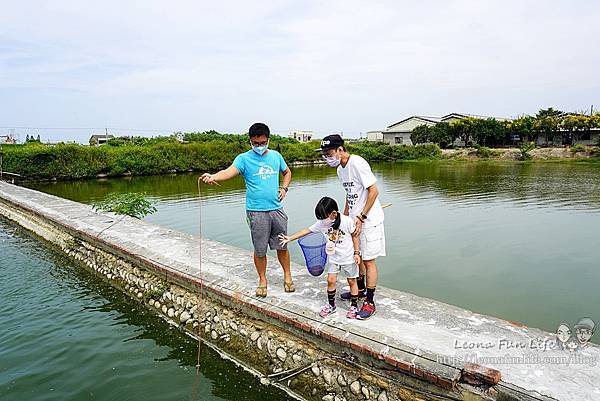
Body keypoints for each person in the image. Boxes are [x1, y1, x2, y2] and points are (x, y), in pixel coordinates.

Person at [201, 122, 293, 298]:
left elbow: (287, 172)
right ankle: (262, 280)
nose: (259, 146)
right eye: (255, 143)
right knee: (260, 250)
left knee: (282, 246)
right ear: (250, 141)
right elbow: (228, 172)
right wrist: (213, 176)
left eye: (263, 142)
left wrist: (284, 188)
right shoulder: (243, 159)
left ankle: (287, 275)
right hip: (256, 212)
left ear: (268, 140)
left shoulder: (276, 156)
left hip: (277, 210)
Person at [316, 134, 385, 320]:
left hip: (369, 221)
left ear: (340, 150)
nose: (327, 157)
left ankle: (369, 302)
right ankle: (360, 290)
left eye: (329, 153)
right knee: (358, 257)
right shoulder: (340, 170)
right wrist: (345, 218)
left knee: (369, 260)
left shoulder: (357, 163)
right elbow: (350, 194)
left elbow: (374, 191)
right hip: (354, 220)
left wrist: (362, 217)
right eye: (325, 154)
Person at [279, 197, 361, 319]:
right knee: (331, 280)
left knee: (352, 281)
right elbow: (307, 230)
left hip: (348, 257)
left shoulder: (347, 221)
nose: (322, 220)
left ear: (334, 213)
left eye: (324, 217)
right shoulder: (322, 223)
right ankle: (331, 305)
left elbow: (355, 237)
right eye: (321, 218)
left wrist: (356, 253)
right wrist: (290, 238)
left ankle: (354, 306)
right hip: (334, 257)